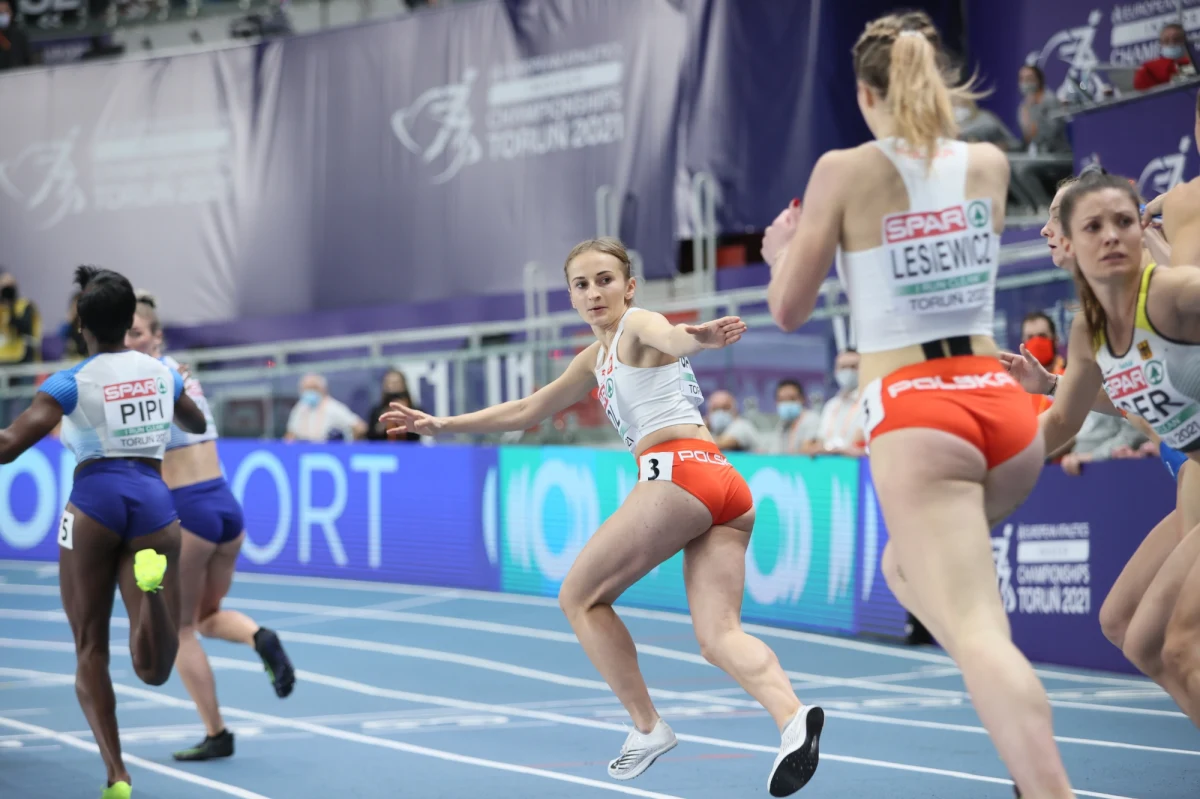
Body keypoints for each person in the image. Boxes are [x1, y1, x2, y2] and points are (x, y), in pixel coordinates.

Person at [382, 237, 823, 796]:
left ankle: (647, 727)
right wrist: (441, 425)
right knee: (718, 636)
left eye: (606, 280)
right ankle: (792, 718)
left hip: (677, 474)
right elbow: (526, 409)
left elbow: (671, 335)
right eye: (582, 284)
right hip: (724, 484)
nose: (595, 292)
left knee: (580, 597)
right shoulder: (594, 358)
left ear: (629, 287)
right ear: (570, 296)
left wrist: (701, 337)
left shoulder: (639, 322)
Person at [762, 12, 1075, 797]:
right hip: (1002, 411)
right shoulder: (988, 163)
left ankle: (1047, 787)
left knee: (978, 636)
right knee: (904, 567)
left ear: (868, 94)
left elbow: (788, 310)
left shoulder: (844, 169)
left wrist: (780, 255)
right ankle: (1018, 748)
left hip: (917, 411)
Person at [0, 266, 206, 799]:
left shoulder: (70, 382)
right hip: (154, 503)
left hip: (93, 503)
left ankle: (117, 773)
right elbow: (196, 424)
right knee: (154, 669)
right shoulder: (162, 371)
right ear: (128, 320)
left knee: (90, 647)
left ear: (82, 328)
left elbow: (6, 446)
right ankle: (152, 589)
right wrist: (164, 388)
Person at [1009, 169, 1200, 727]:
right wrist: (986, 475)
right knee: (1133, 634)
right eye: (1094, 225)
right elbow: (1065, 420)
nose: (1111, 234)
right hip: (1190, 464)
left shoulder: (1172, 290)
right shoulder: (1087, 328)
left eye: (1121, 221)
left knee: (1179, 646)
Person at [126, 293, 295, 762]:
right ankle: (259, 637)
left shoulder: (148, 378)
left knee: (180, 630)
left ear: (157, 336)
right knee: (205, 615)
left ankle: (216, 732)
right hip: (224, 504)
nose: (129, 340)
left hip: (190, 510)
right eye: (124, 333)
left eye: (137, 331)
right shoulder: (181, 371)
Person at [805, 349, 865, 455]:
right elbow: (821, 438)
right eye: (843, 367)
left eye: (853, 367)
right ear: (836, 371)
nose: (848, 372)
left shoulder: (867, 403)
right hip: (830, 466)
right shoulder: (831, 405)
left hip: (857, 466)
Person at [285, 373, 367, 443]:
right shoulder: (300, 408)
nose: (309, 391)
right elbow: (290, 434)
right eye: (306, 388)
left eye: (313, 388)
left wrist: (348, 446)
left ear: (323, 389)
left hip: (327, 453)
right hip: (304, 453)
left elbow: (360, 427)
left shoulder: (333, 408)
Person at [1017, 64, 1069, 154]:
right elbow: (1028, 137)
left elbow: (1052, 133)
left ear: (1038, 79)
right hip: (1039, 155)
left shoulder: (1050, 100)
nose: (1025, 82)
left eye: (1029, 78)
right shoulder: (1024, 106)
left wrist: (1033, 125)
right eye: (1022, 79)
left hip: (1058, 155)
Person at [765, 379, 820, 454]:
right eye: (782, 400)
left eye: (792, 399)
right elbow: (774, 452)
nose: (787, 403)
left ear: (802, 399)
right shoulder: (782, 424)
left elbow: (808, 449)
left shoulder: (811, 419)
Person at [1134, 23, 1194, 91]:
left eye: (1176, 39)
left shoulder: (1196, 62)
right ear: (1161, 43)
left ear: (1185, 41)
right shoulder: (1149, 68)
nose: (1171, 43)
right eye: (1166, 40)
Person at [366, 369, 419, 441]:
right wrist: (383, 423)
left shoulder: (414, 410)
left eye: (396, 383)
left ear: (404, 385)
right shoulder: (376, 412)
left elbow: (419, 436)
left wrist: (406, 417)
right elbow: (370, 437)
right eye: (389, 383)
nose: (393, 386)